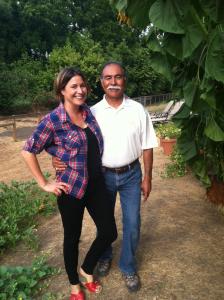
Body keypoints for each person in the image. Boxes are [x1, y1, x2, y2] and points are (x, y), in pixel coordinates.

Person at [53, 62, 158, 292]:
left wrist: (147, 177)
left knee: (132, 223)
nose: (113, 82)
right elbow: (67, 138)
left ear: (124, 80)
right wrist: (56, 157)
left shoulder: (138, 110)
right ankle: (104, 256)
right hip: (101, 176)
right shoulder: (91, 112)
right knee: (106, 225)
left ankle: (128, 266)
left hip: (131, 174)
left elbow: (148, 145)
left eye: (118, 77)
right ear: (101, 82)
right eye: (108, 78)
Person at [21, 67, 117, 300]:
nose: (80, 90)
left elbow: (85, 144)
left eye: (82, 85)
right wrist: (45, 183)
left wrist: (58, 152)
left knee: (109, 232)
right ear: (62, 90)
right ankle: (75, 284)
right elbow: (28, 150)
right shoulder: (53, 120)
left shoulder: (88, 113)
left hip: (95, 184)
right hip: (70, 188)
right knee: (71, 237)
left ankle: (86, 268)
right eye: (73, 86)